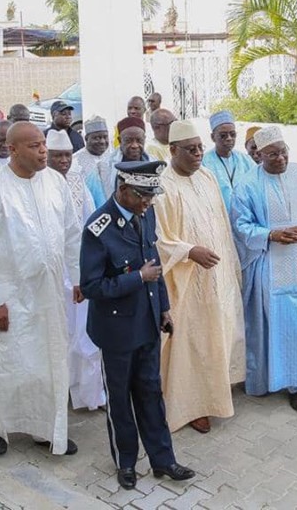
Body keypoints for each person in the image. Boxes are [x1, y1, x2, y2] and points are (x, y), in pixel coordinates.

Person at [0, 122, 81, 456]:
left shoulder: (55, 182)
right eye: (34, 146)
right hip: (9, 296)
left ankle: (47, 428)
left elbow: (72, 233)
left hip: (50, 293)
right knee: (10, 364)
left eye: (43, 144)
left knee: (50, 362)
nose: (43, 151)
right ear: (12, 149)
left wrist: (77, 277)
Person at [81, 160, 195, 490]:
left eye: (150, 196)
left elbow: (155, 263)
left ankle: (163, 460)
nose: (148, 203)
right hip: (116, 331)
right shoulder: (98, 228)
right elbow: (91, 287)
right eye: (142, 196)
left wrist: (163, 308)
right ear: (123, 190)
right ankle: (126, 462)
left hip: (146, 324)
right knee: (119, 399)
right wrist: (136, 278)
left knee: (150, 394)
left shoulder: (146, 214)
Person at [230, 126, 297, 413]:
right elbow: (240, 225)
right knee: (266, 324)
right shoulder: (247, 184)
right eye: (273, 154)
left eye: (284, 152)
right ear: (259, 155)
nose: (280, 158)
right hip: (266, 265)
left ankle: (296, 386)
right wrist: (270, 235)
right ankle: (263, 380)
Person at [153, 120, 245, 433]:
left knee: (215, 336)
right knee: (189, 343)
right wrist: (190, 251)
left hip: (214, 278)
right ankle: (189, 406)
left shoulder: (206, 177)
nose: (197, 154)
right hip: (184, 283)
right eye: (190, 150)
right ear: (173, 150)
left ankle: (214, 395)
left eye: (200, 148)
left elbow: (221, 226)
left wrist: (228, 268)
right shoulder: (162, 187)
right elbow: (158, 240)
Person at [46, 129, 105, 411]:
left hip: (78, 268)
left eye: (67, 155)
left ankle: (89, 396)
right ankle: (60, 394)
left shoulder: (78, 180)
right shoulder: (37, 183)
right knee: (57, 334)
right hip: (49, 271)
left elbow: (91, 221)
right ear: (45, 156)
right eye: (57, 155)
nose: (63, 161)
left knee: (84, 333)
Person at [203, 110, 256, 213]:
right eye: (223, 135)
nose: (229, 139)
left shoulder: (245, 160)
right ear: (213, 137)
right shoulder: (204, 162)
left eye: (232, 134)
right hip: (218, 217)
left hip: (244, 218)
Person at [96, 116, 150, 200]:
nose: (134, 145)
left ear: (144, 139)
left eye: (139, 140)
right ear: (120, 140)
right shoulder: (106, 165)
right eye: (129, 141)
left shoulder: (154, 161)